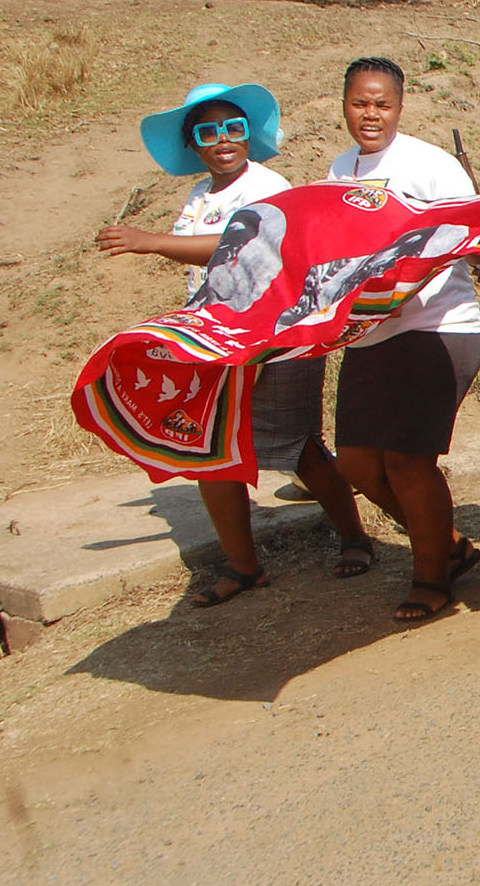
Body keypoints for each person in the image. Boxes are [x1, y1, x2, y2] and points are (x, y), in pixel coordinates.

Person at [97, 83, 375, 606]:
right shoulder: (201, 197)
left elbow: (245, 251)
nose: (223, 139)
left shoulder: (267, 185)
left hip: (276, 334)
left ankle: (355, 538)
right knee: (211, 450)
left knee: (298, 447)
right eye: (209, 131)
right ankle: (243, 566)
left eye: (233, 128)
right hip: (215, 338)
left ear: (250, 134)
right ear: (194, 144)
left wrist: (151, 242)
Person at [323, 57, 480, 622]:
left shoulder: (430, 166)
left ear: (400, 105)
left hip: (433, 327)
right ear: (344, 104)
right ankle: (448, 545)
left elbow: (463, 238)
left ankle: (430, 577)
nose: (371, 114)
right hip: (366, 336)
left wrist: (392, 297)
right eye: (360, 103)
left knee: (407, 461)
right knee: (356, 465)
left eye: (382, 104)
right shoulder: (340, 169)